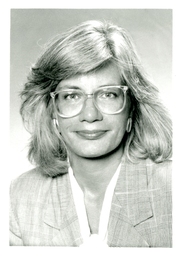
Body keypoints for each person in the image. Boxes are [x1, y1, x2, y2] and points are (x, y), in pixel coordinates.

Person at [9, 20, 172, 247]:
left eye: (108, 95)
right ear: (52, 109)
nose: (90, 115)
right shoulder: (19, 197)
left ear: (132, 107)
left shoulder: (173, 190)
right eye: (71, 96)